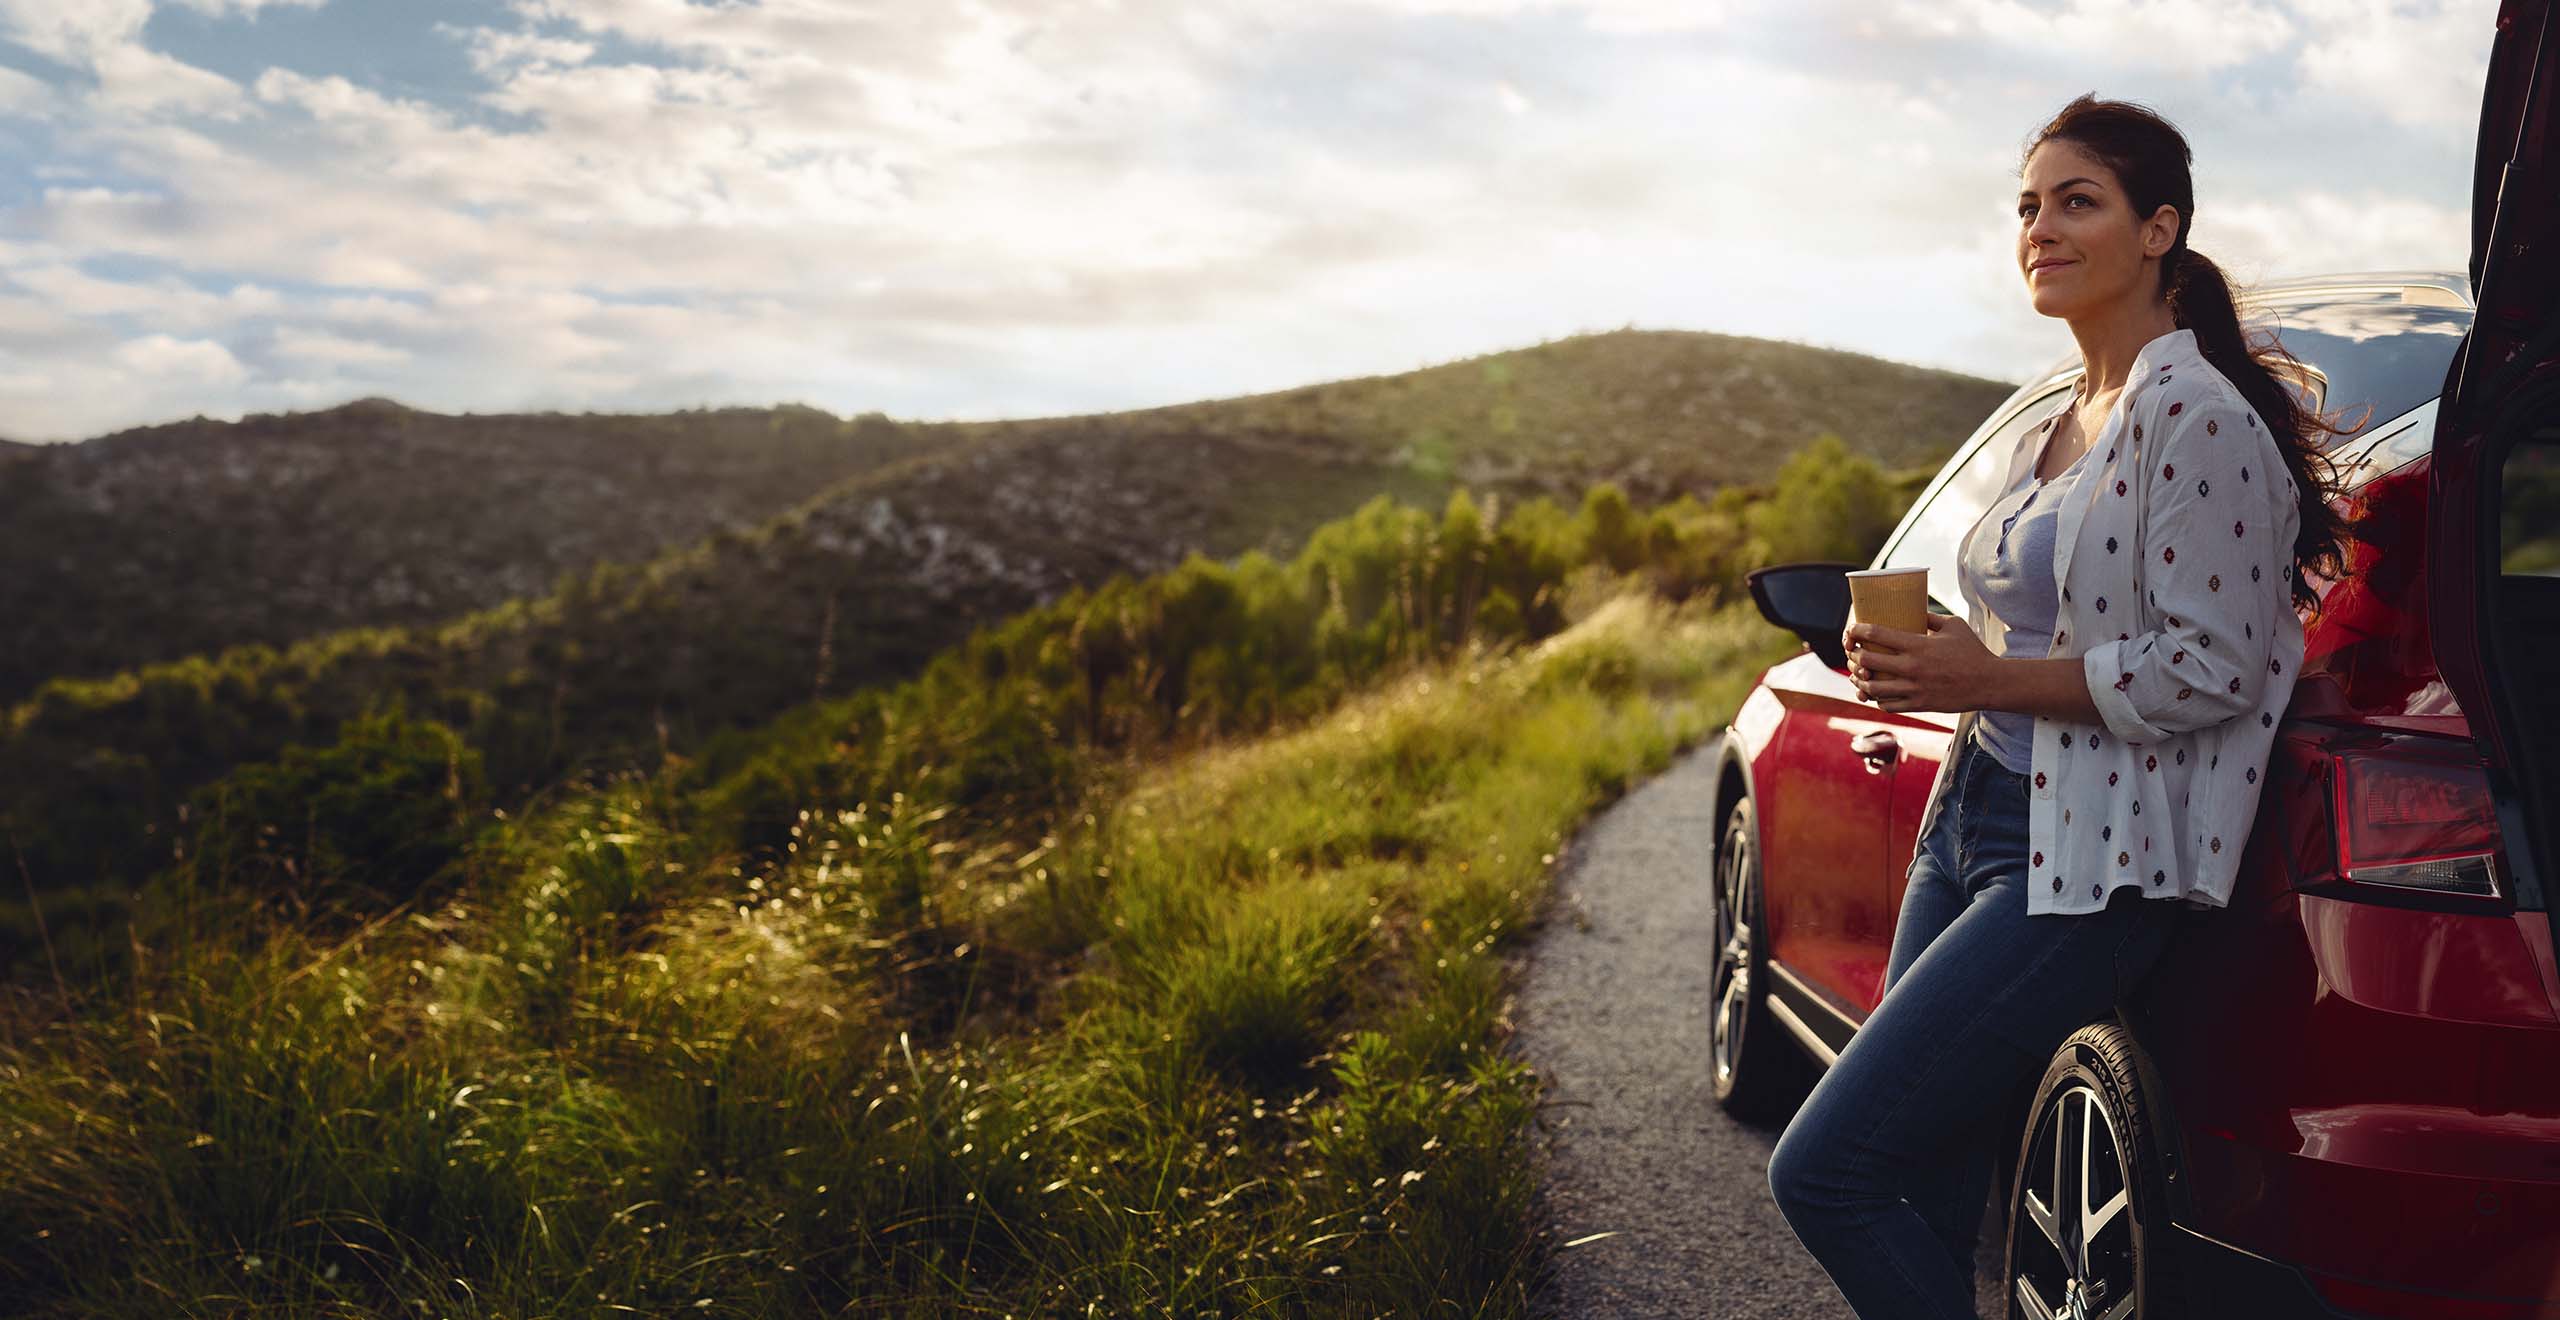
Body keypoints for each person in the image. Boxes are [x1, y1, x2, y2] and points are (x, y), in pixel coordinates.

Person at [1763, 93, 2358, 1319]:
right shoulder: (2062, 417)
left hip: (2092, 863)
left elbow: (2215, 666)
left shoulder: (2198, 416)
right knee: (1920, 1193)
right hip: (1976, 809)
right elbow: (2061, 624)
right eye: (2027, 206)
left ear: (2159, 230)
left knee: (1826, 1171)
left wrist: (1985, 678)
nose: (2039, 228)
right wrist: (1942, 655)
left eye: (2074, 202)